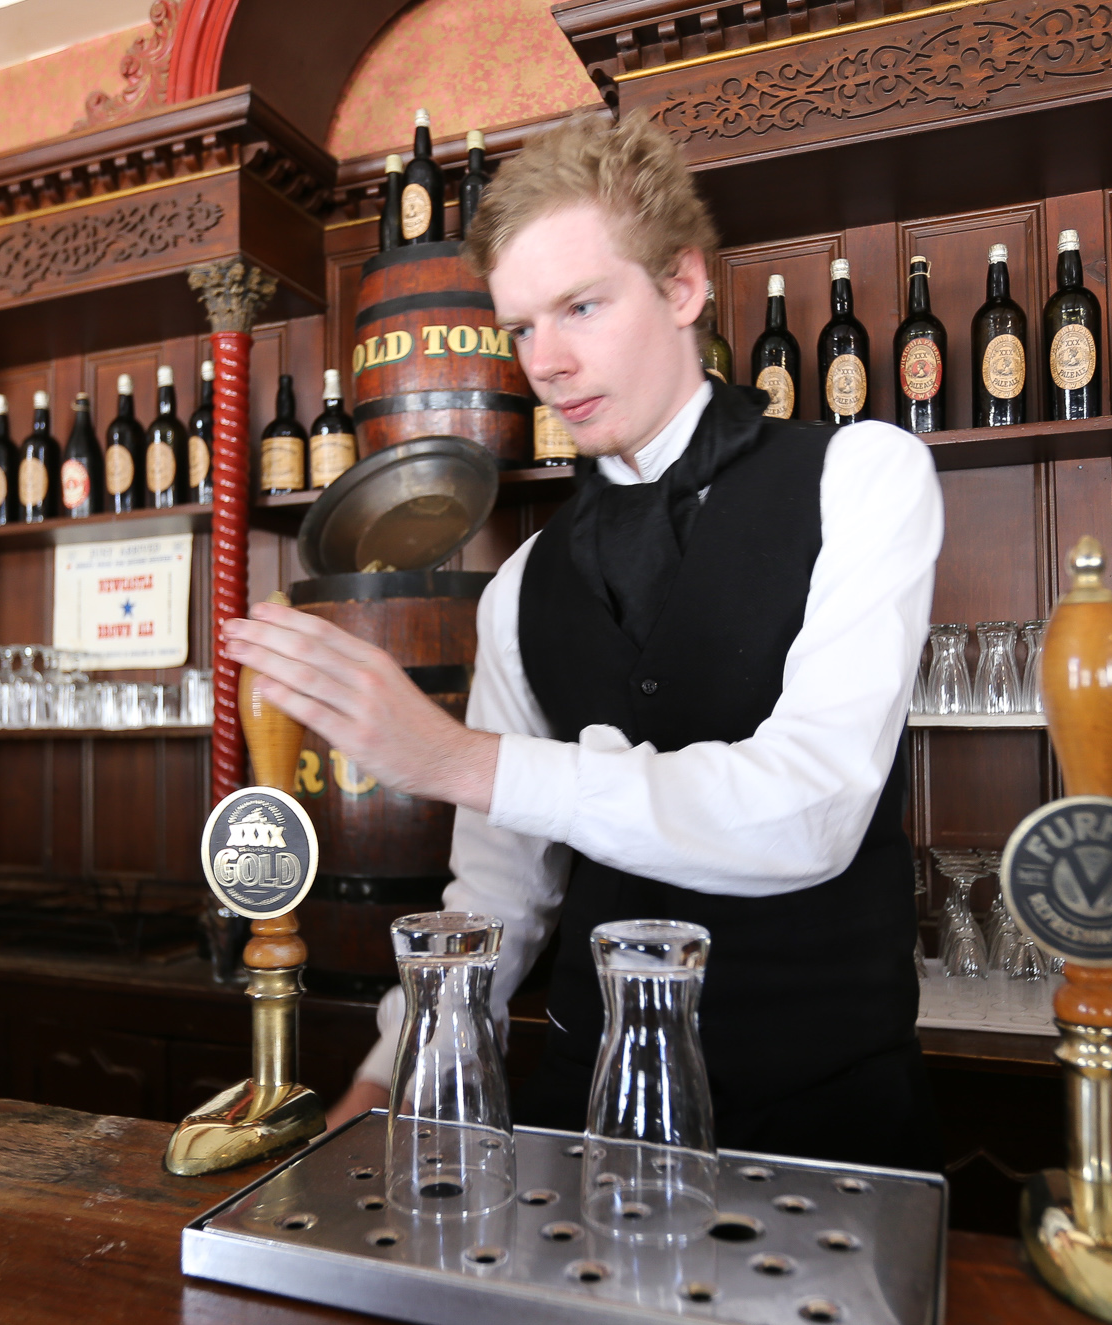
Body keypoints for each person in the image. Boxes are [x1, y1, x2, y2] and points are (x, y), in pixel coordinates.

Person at [222, 113, 944, 1171]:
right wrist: (389, 1066)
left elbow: (816, 807)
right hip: (581, 1115)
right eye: (519, 328)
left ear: (684, 286)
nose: (547, 362)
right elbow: (502, 894)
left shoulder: (863, 476)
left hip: (823, 1122)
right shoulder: (521, 588)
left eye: (582, 306)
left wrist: (452, 760)